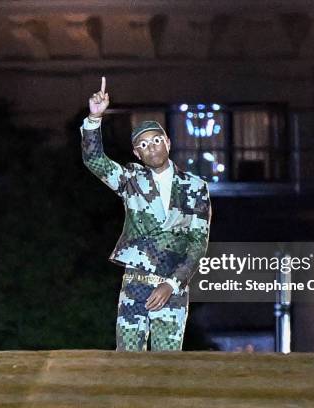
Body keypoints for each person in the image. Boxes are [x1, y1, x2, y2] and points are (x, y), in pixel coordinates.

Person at [80, 77, 211, 351]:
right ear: (137, 154)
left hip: (172, 285)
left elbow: (198, 243)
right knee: (128, 362)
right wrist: (94, 118)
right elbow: (95, 161)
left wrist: (172, 285)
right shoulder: (131, 179)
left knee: (165, 366)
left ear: (168, 142)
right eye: (143, 144)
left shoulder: (195, 187)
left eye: (156, 140)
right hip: (136, 282)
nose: (151, 146)